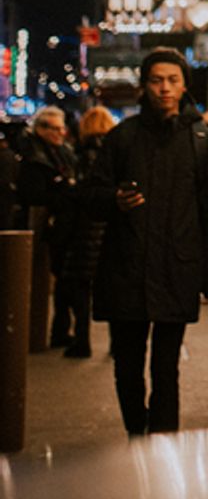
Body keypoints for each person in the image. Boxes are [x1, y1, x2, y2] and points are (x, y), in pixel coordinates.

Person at [85, 46, 208, 435]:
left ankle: (163, 442)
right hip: (126, 266)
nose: (165, 88)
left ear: (184, 85)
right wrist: (114, 199)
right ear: (144, 86)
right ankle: (136, 432)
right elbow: (90, 195)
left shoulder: (201, 139)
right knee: (127, 365)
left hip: (176, 267)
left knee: (166, 367)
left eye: (173, 80)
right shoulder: (122, 136)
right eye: (157, 80)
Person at [17, 106, 79, 349]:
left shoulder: (62, 152)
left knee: (63, 277)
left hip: (60, 223)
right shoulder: (33, 155)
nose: (59, 133)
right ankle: (38, 332)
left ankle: (58, 329)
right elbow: (33, 194)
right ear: (41, 129)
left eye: (61, 128)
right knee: (41, 278)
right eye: (54, 128)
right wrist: (63, 193)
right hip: (42, 226)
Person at [58, 104, 115, 357]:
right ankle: (116, 344)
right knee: (112, 288)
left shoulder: (81, 156)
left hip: (84, 228)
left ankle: (82, 340)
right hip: (109, 227)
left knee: (81, 287)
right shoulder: (116, 153)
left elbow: (79, 193)